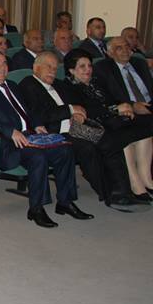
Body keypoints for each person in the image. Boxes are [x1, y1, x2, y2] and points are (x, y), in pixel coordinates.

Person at [0, 52, 90, 228]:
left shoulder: (13, 85)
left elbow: (28, 111)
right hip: (5, 143)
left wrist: (37, 124)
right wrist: (10, 132)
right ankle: (36, 208)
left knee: (65, 149)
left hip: (31, 136)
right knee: (38, 156)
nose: (2, 67)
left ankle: (65, 201)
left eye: (4, 63)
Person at [18, 53, 134, 209]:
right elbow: (41, 115)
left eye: (55, 68)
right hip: (55, 133)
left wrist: (78, 113)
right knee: (88, 148)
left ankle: (123, 190)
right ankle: (109, 193)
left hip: (76, 128)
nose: (52, 71)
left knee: (111, 141)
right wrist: (71, 109)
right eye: (48, 67)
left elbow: (77, 104)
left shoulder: (58, 84)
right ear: (36, 67)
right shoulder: (28, 84)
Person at [62, 49, 153, 205]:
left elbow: (113, 99)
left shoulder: (96, 81)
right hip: (97, 125)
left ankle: (145, 178)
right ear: (71, 70)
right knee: (124, 137)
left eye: (89, 65)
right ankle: (135, 183)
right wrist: (115, 109)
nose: (88, 69)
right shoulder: (68, 87)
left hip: (114, 120)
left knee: (147, 127)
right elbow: (85, 110)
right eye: (82, 66)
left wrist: (125, 106)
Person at [92, 36, 153, 117]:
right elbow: (107, 96)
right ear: (110, 53)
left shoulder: (140, 63)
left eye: (127, 46)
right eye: (119, 48)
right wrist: (132, 105)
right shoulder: (103, 68)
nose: (125, 50)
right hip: (128, 111)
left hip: (150, 106)